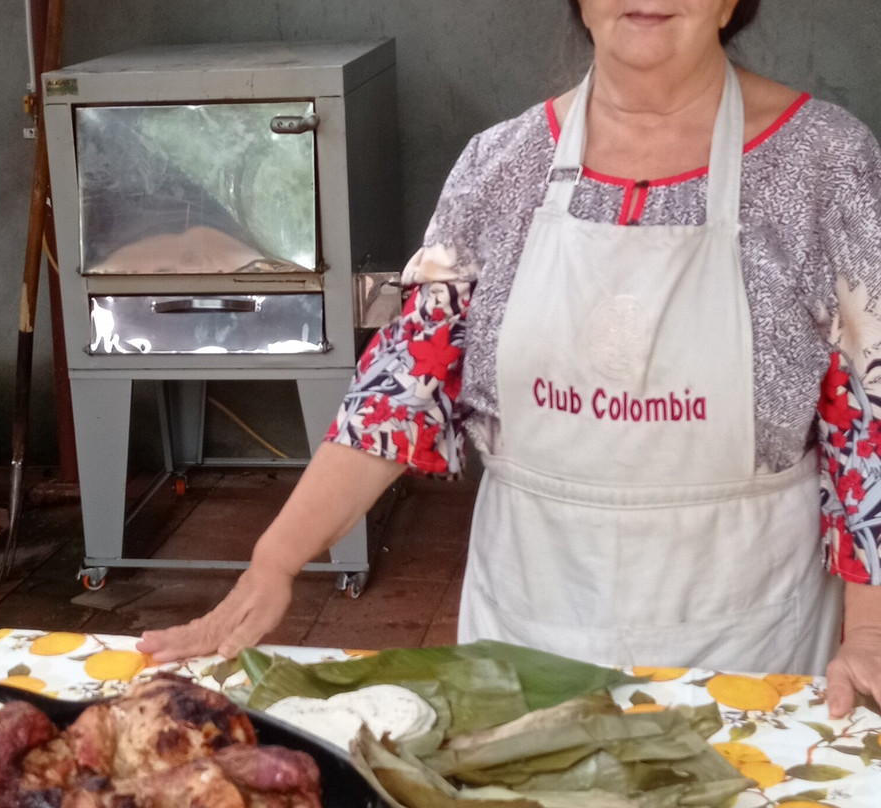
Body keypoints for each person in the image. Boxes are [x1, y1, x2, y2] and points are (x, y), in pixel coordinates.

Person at [139, 0, 881, 718]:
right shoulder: (500, 166)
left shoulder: (827, 166)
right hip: (528, 638)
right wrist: (275, 562)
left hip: (743, 646)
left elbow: (870, 429)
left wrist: (872, 634)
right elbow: (400, 394)